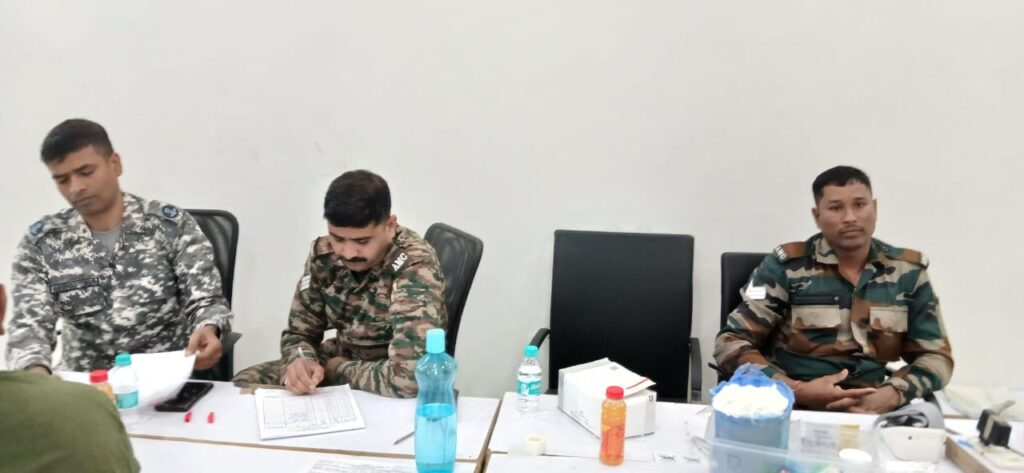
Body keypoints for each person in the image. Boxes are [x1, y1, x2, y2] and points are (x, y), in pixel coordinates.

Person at [714, 165, 953, 414]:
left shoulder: (908, 273)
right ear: (817, 215)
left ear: (875, 208)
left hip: (874, 413)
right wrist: (794, 390)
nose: (850, 217)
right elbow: (730, 342)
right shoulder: (785, 268)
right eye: (836, 208)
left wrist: (893, 394)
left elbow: (936, 357)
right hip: (794, 410)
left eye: (859, 205)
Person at [6, 118, 233, 374]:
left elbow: (205, 300)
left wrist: (208, 328)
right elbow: (29, 327)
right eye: (62, 179)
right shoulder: (42, 243)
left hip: (167, 379)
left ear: (115, 164)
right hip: (85, 384)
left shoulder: (170, 226)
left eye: (85, 172)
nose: (75, 188)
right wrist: (36, 375)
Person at [233, 170, 446, 398]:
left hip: (384, 373)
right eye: (338, 238)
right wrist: (301, 361)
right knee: (241, 385)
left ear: (390, 224)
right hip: (340, 356)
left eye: (362, 241)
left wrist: (338, 371)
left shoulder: (414, 266)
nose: (348, 252)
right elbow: (299, 333)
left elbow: (409, 378)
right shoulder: (325, 257)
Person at [0, 283, 141, 473]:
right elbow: (29, 324)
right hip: (75, 393)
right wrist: (38, 379)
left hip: (166, 394)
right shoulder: (83, 410)